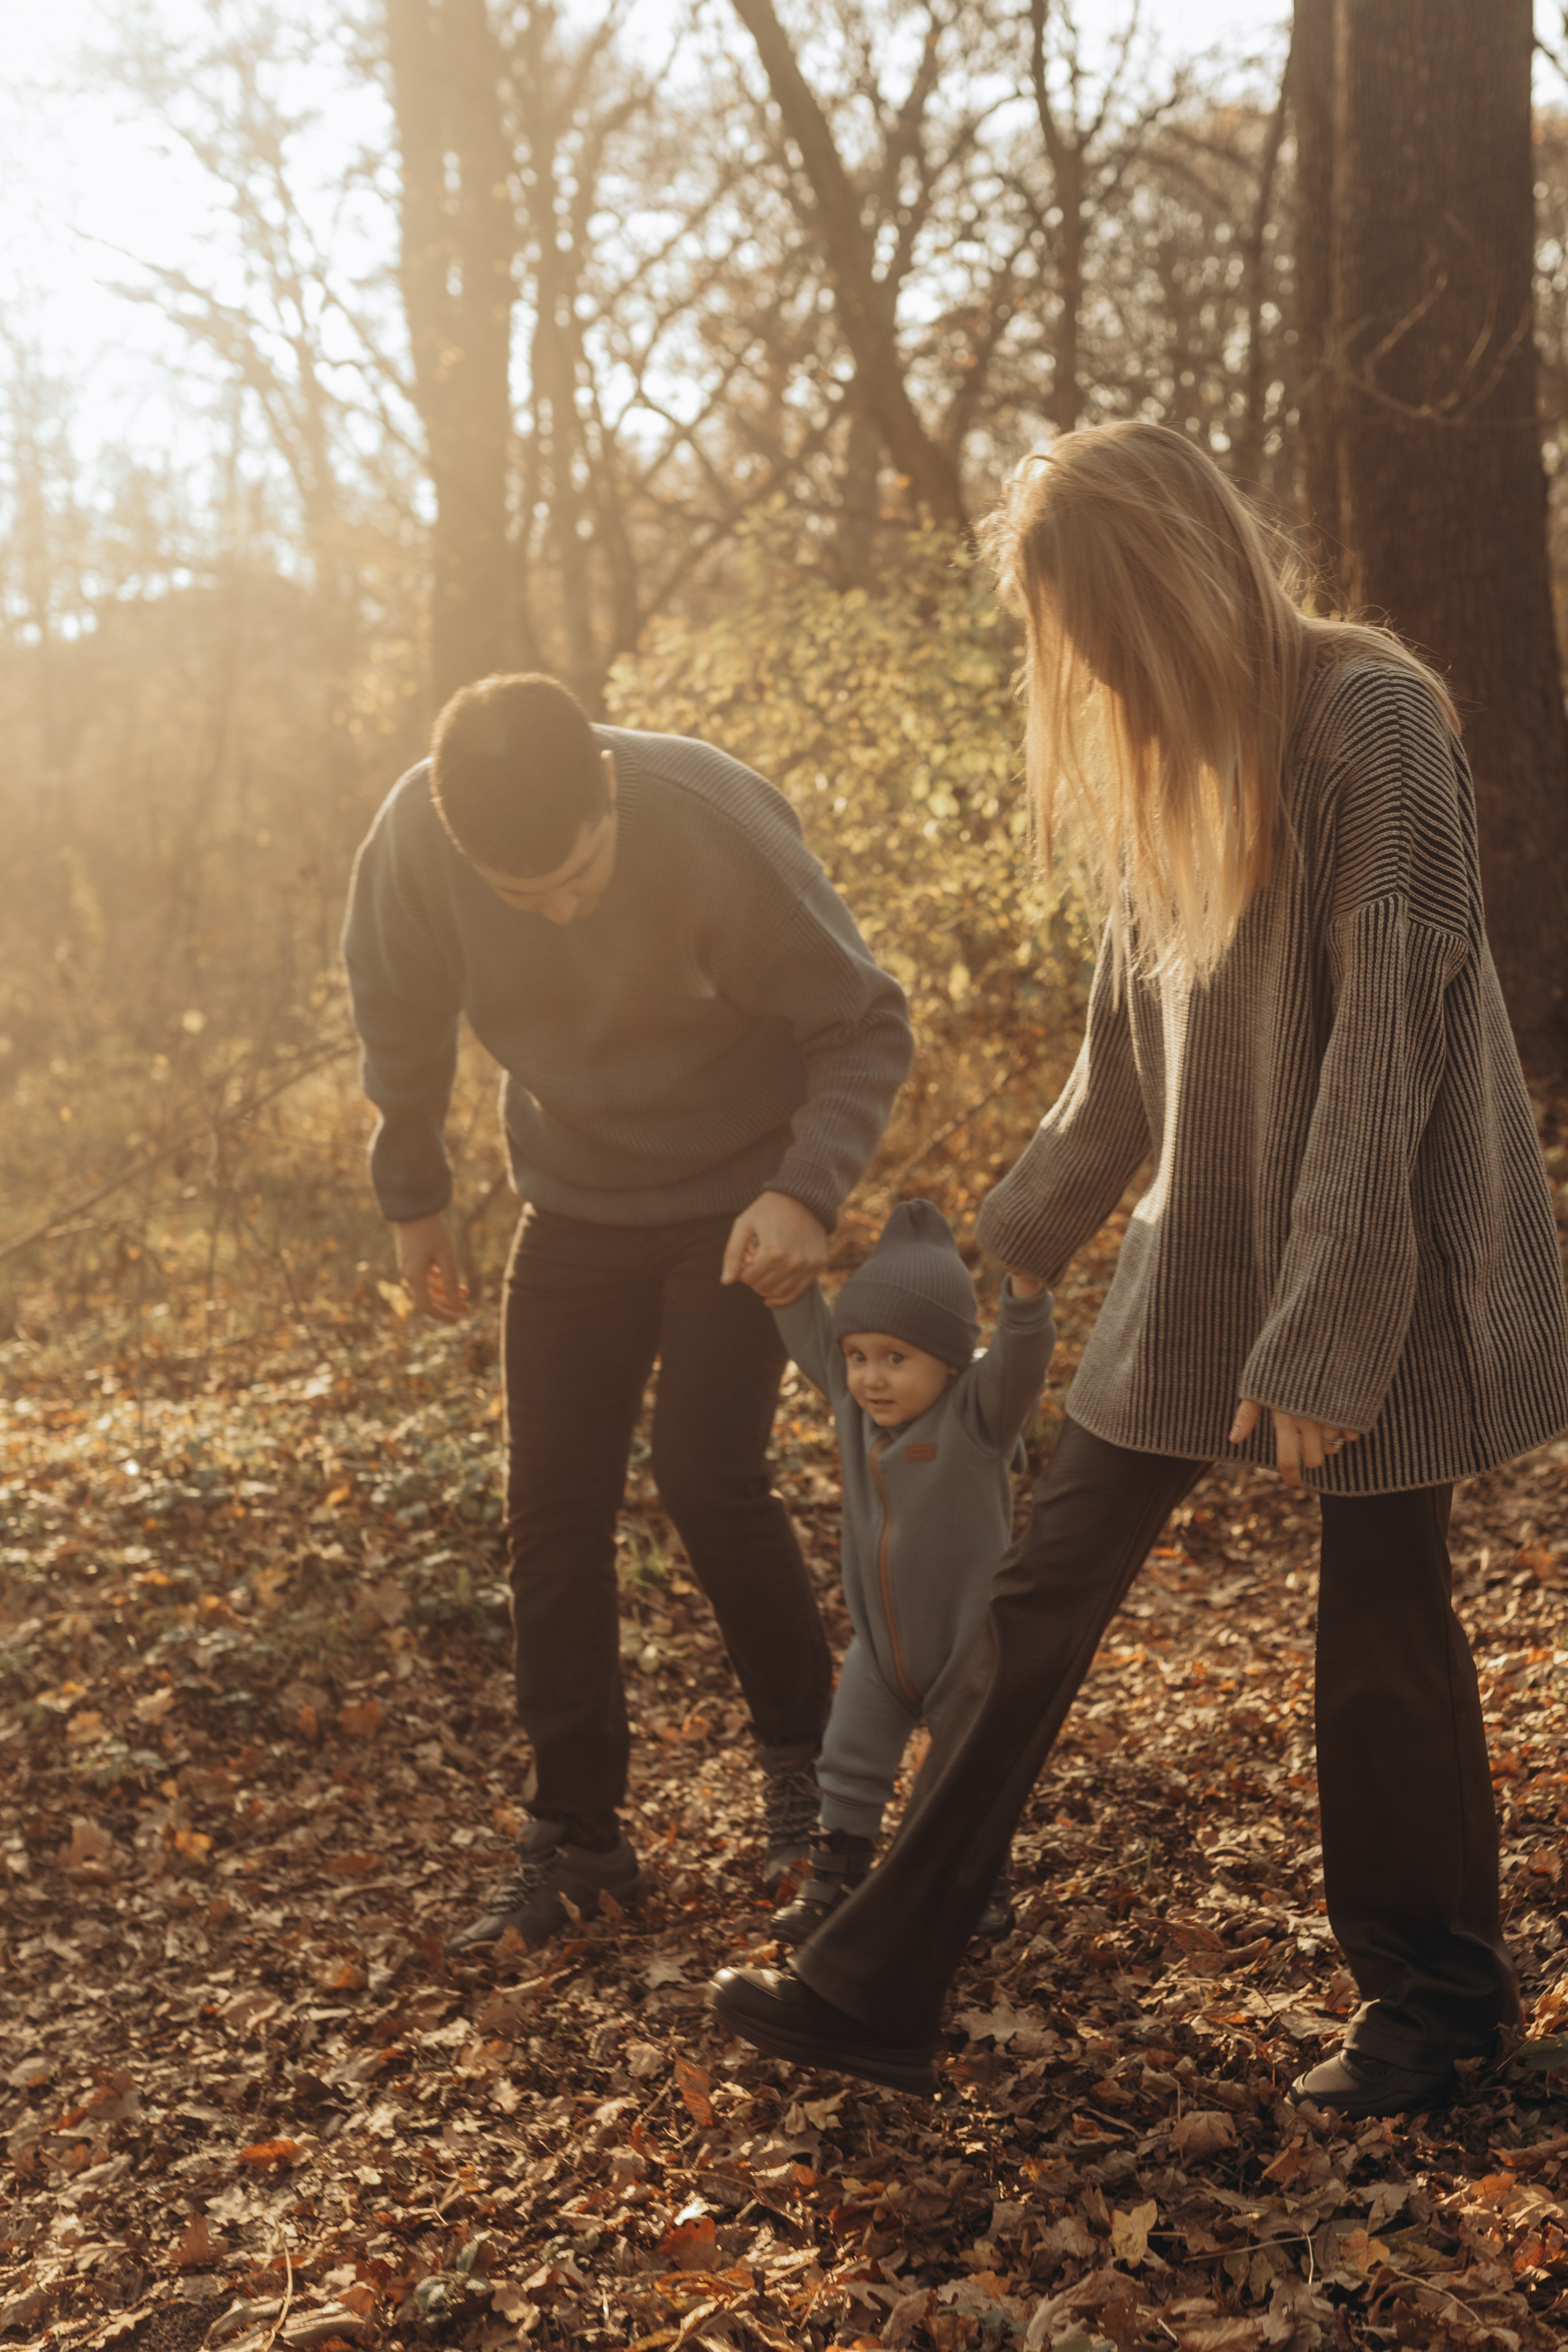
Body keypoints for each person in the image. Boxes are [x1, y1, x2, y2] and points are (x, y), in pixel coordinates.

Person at [711, 420, 1568, 2118]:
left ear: (1169, 582)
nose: (1090, 673)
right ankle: (875, 1980)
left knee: (1383, 1614)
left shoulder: (1366, 717)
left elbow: (1387, 1045)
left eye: (1100, 626)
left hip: (1390, 1234)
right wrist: (976, 1248)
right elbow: (1122, 1070)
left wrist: (1326, 1331)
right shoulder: (1168, 761)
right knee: (1038, 1598)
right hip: (1208, 1252)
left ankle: (1443, 2002)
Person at [344, 673, 913, 1952]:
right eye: (525, 899)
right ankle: (580, 1840)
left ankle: (818, 1784)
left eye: (578, 879)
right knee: (548, 1506)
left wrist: (801, 1195)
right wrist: (414, 1196)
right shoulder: (415, 839)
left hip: (737, 1202)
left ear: (603, 791)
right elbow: (398, 1011)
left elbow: (861, 1023)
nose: (559, 911)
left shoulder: (706, 819)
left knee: (705, 1477)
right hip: (574, 1198)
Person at [766, 1200, 1055, 1945]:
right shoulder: (854, 1409)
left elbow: (1021, 1358)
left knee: (970, 1773)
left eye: (896, 1358)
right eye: (859, 1356)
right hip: (880, 1649)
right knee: (850, 1759)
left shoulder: (978, 1416)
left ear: (950, 1362)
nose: (871, 1379)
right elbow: (807, 1329)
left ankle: (978, 1883)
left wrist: (1024, 1293)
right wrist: (782, 1278)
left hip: (967, 1649)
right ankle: (837, 1875)